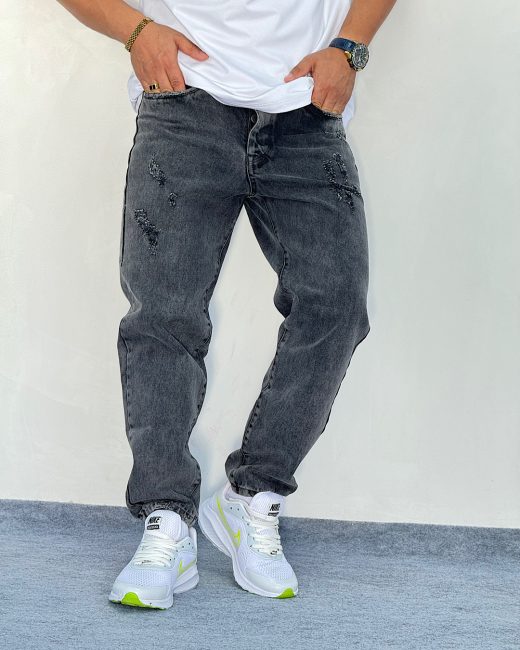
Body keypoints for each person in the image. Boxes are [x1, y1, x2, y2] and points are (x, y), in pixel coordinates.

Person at [58, 0, 396, 609]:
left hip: (306, 109)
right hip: (184, 102)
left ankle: (251, 496)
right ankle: (167, 517)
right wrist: (136, 31)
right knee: (163, 316)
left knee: (336, 306)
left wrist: (350, 47)